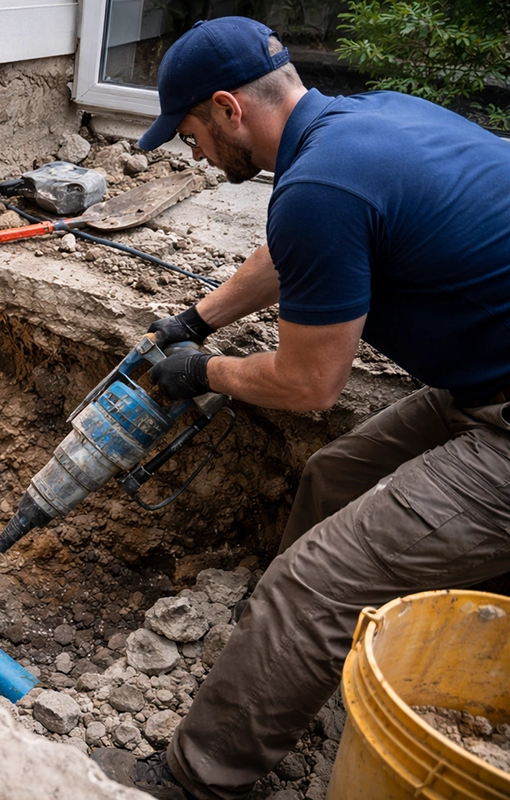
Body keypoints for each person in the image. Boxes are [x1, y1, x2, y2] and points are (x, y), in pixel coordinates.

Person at [101, 16, 510, 800]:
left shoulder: (319, 186)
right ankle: (286, 656)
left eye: (190, 133)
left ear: (228, 109)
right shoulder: (361, 120)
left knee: (312, 586)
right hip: (480, 380)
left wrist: (206, 371)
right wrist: (197, 320)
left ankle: (197, 780)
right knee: (333, 477)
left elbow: (310, 388)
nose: (191, 152)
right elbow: (295, 251)